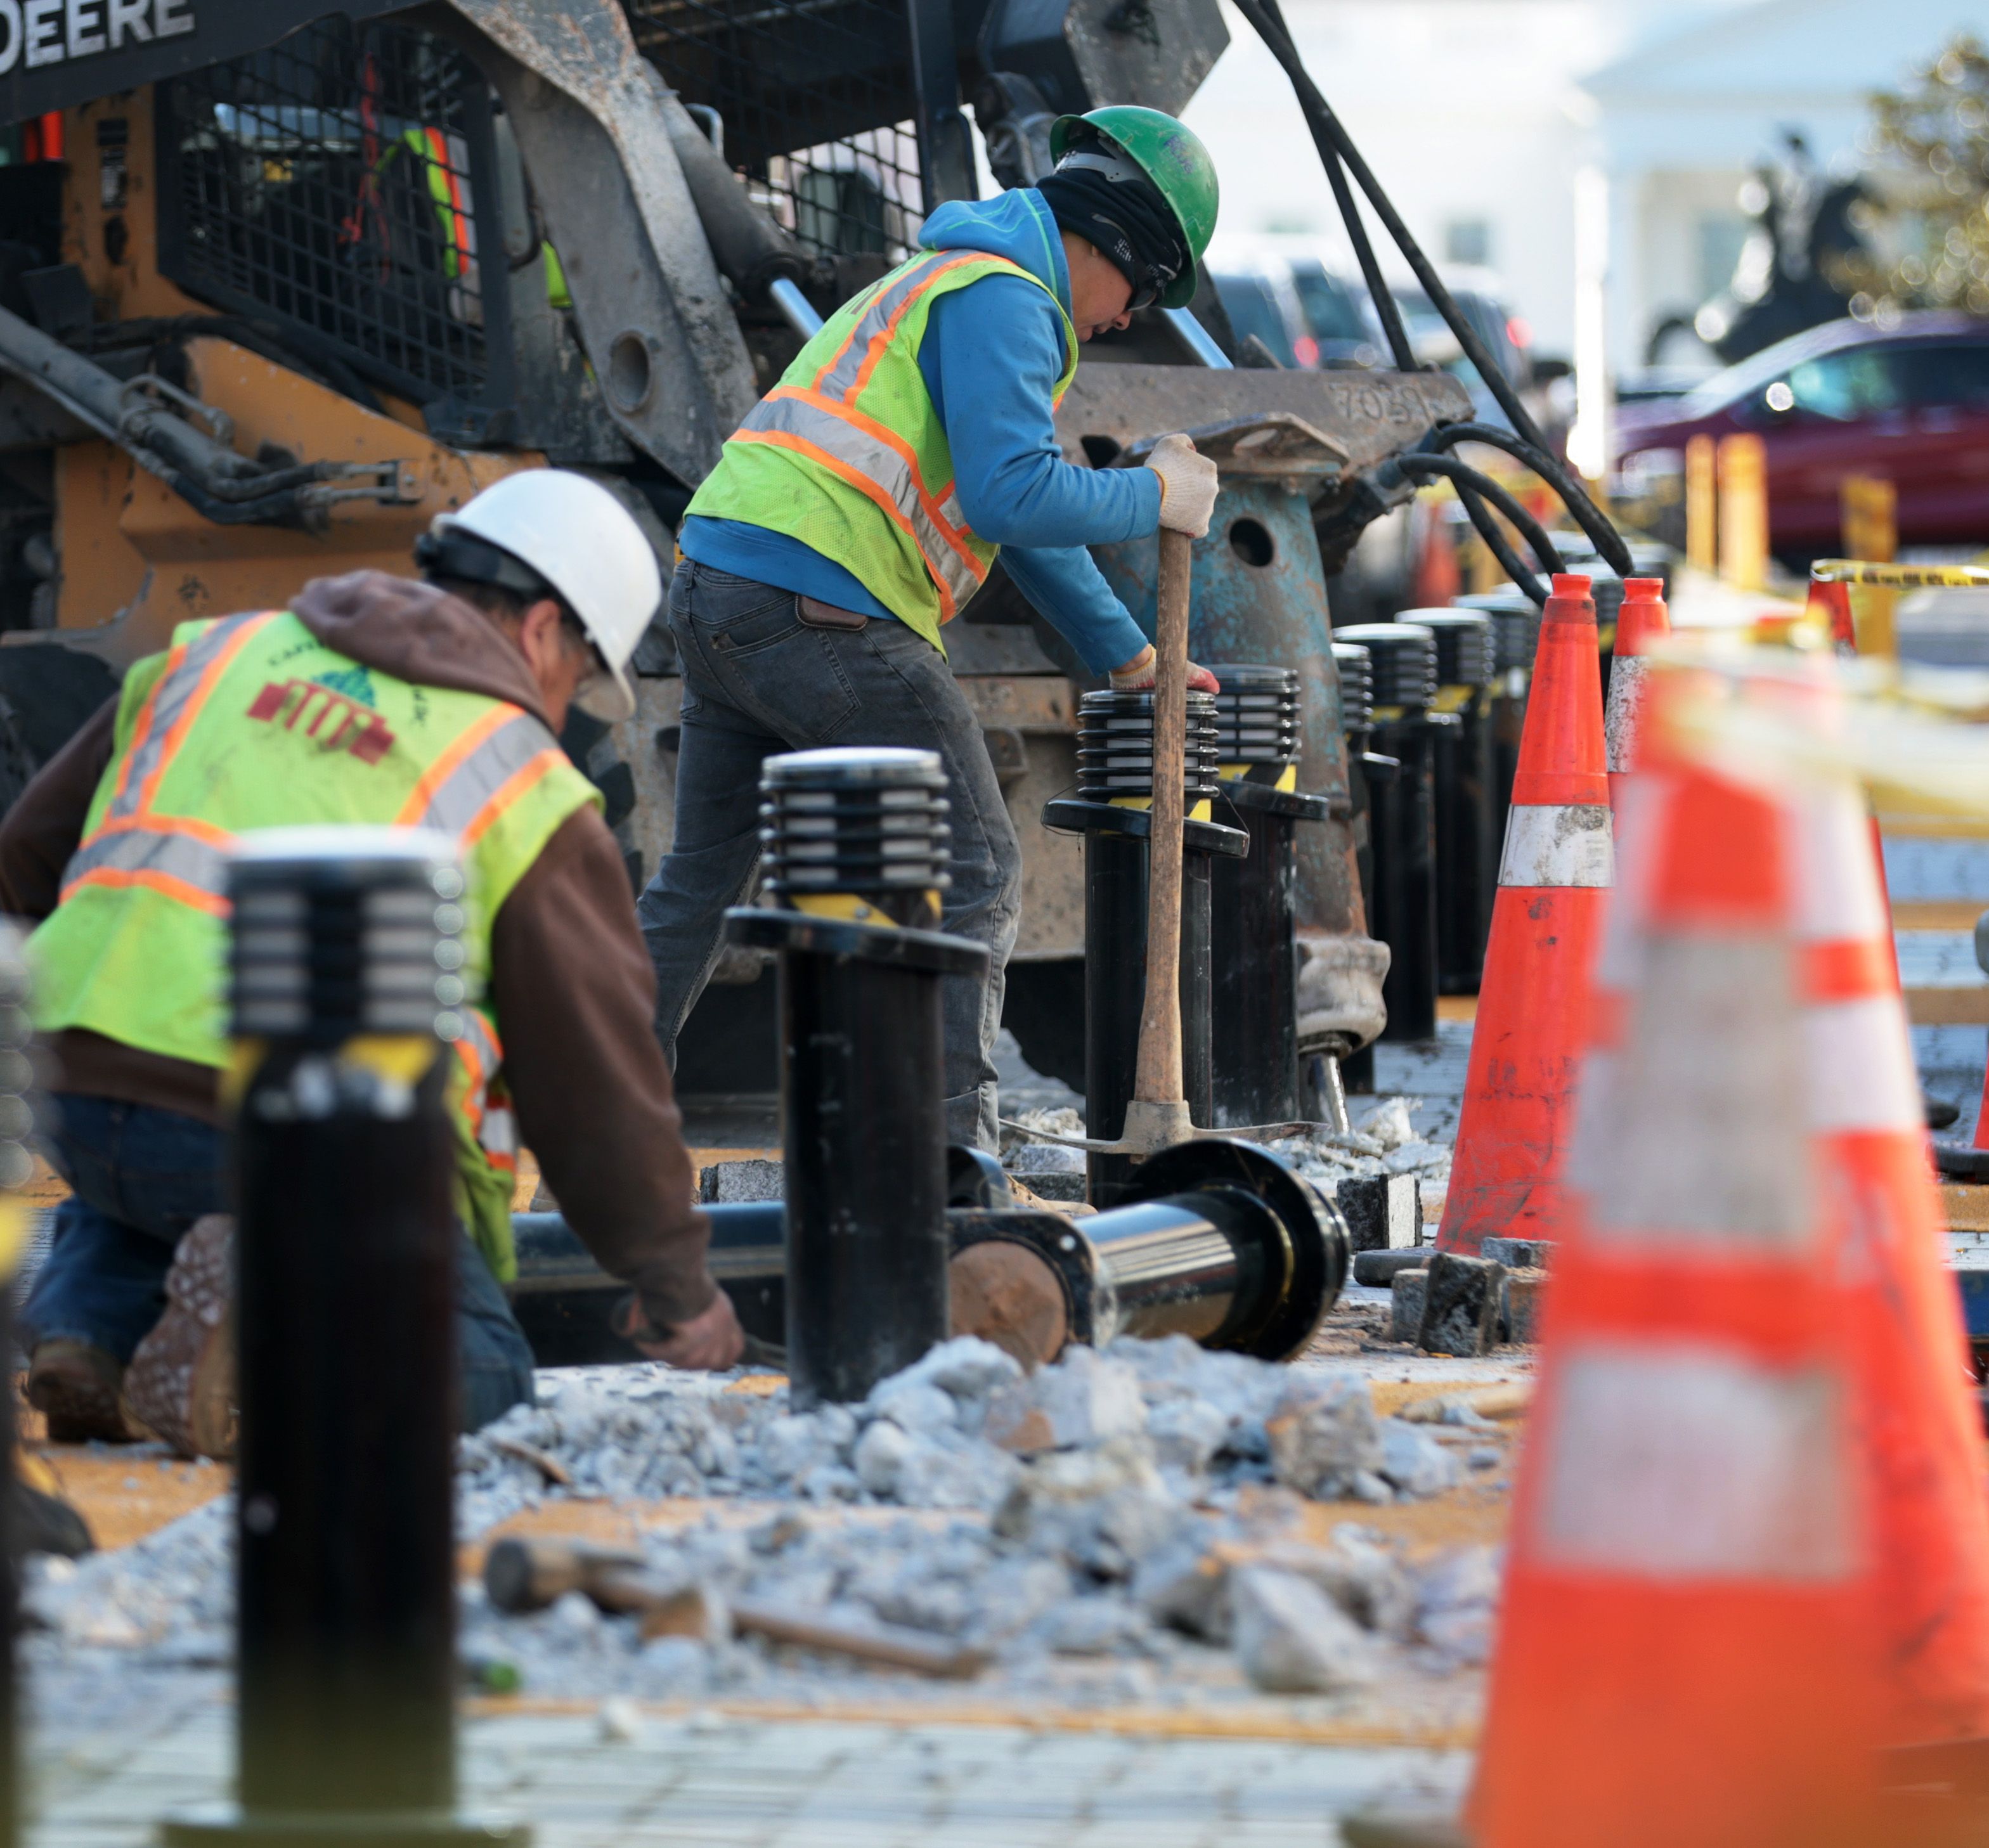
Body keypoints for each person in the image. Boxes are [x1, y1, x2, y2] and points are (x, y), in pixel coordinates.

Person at [2, 472, 746, 1454]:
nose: (565, 710)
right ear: (539, 632)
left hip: (71, 1084)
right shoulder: (521, 777)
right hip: (276, 1131)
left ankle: (92, 1328)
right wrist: (678, 1287)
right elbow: (595, 1080)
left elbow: (22, 853)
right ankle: (253, 1327)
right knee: (482, 1375)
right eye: (578, 676)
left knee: (165, 1168)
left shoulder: (215, 652)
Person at [639, 106, 1225, 1151]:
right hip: (821, 607)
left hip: (721, 586)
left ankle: (599, 1116)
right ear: (1117, 239)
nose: (1128, 318)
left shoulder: (954, 283)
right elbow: (1012, 496)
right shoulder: (1008, 300)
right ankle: (953, 1165)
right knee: (977, 868)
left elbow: (1019, 517)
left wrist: (1127, 656)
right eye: (1142, 290)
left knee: (699, 880)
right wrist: (1151, 496)